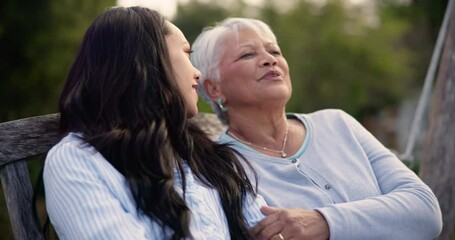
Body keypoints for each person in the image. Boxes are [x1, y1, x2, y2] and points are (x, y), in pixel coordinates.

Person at [191, 17, 443, 240]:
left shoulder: (337, 123)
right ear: (215, 88)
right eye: (247, 55)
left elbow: (426, 211)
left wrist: (322, 221)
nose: (269, 60)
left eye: (275, 51)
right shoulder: (219, 166)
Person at [43, 7, 266, 240]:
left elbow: (266, 227)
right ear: (149, 61)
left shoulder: (204, 156)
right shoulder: (77, 160)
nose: (197, 73)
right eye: (186, 53)